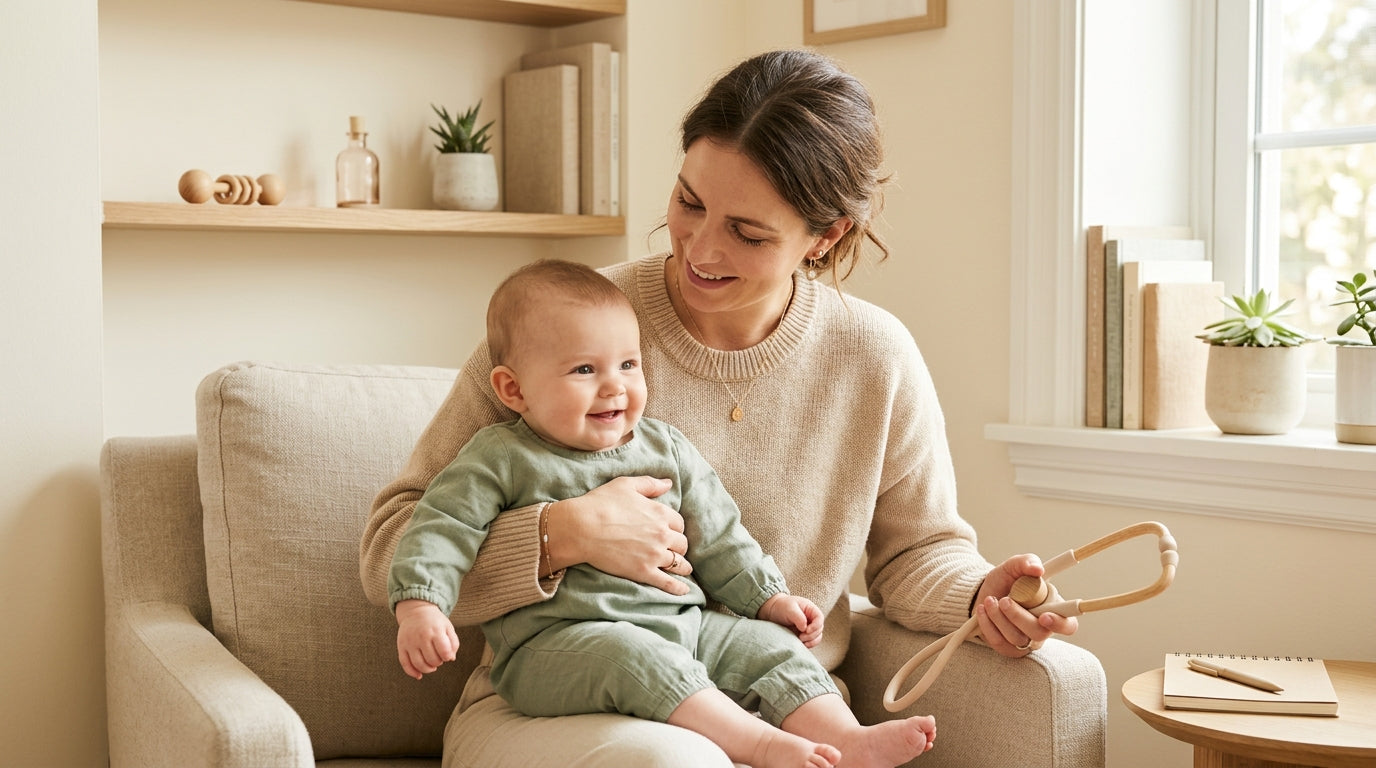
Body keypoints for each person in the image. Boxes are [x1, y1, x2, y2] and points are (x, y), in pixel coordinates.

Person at [361, 49, 1078, 768]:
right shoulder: (568, 323)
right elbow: (394, 544)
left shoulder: (874, 355)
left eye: (748, 232)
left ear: (826, 235)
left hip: (773, 702)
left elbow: (917, 551)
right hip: (556, 701)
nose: (700, 248)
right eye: (690, 202)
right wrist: (562, 534)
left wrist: (979, 596)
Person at [390, 259, 935, 768]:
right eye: (584, 369)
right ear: (513, 389)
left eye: (629, 364)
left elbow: (721, 536)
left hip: (682, 626)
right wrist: (421, 605)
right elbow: (441, 528)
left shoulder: (664, 448)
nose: (615, 386)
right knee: (634, 655)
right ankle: (764, 745)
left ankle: (847, 740)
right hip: (556, 647)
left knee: (770, 646)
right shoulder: (499, 456)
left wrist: (769, 599)